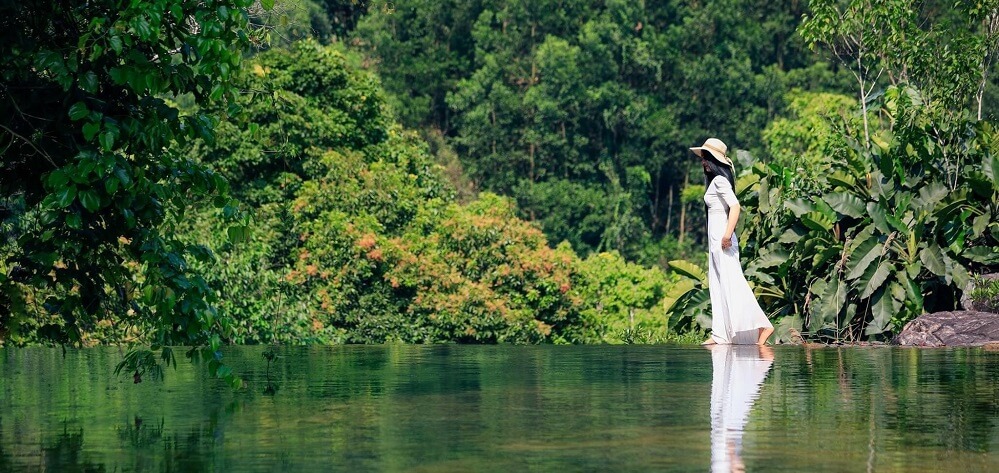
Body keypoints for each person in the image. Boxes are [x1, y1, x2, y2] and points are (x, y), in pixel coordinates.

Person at [690, 138, 774, 346]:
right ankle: (721, 334)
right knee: (719, 287)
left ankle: (763, 325)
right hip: (716, 242)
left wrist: (727, 235)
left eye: (706, 158)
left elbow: (735, 207)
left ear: (714, 160)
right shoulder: (716, 182)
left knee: (732, 284)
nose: (703, 162)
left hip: (723, 240)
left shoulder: (720, 181)